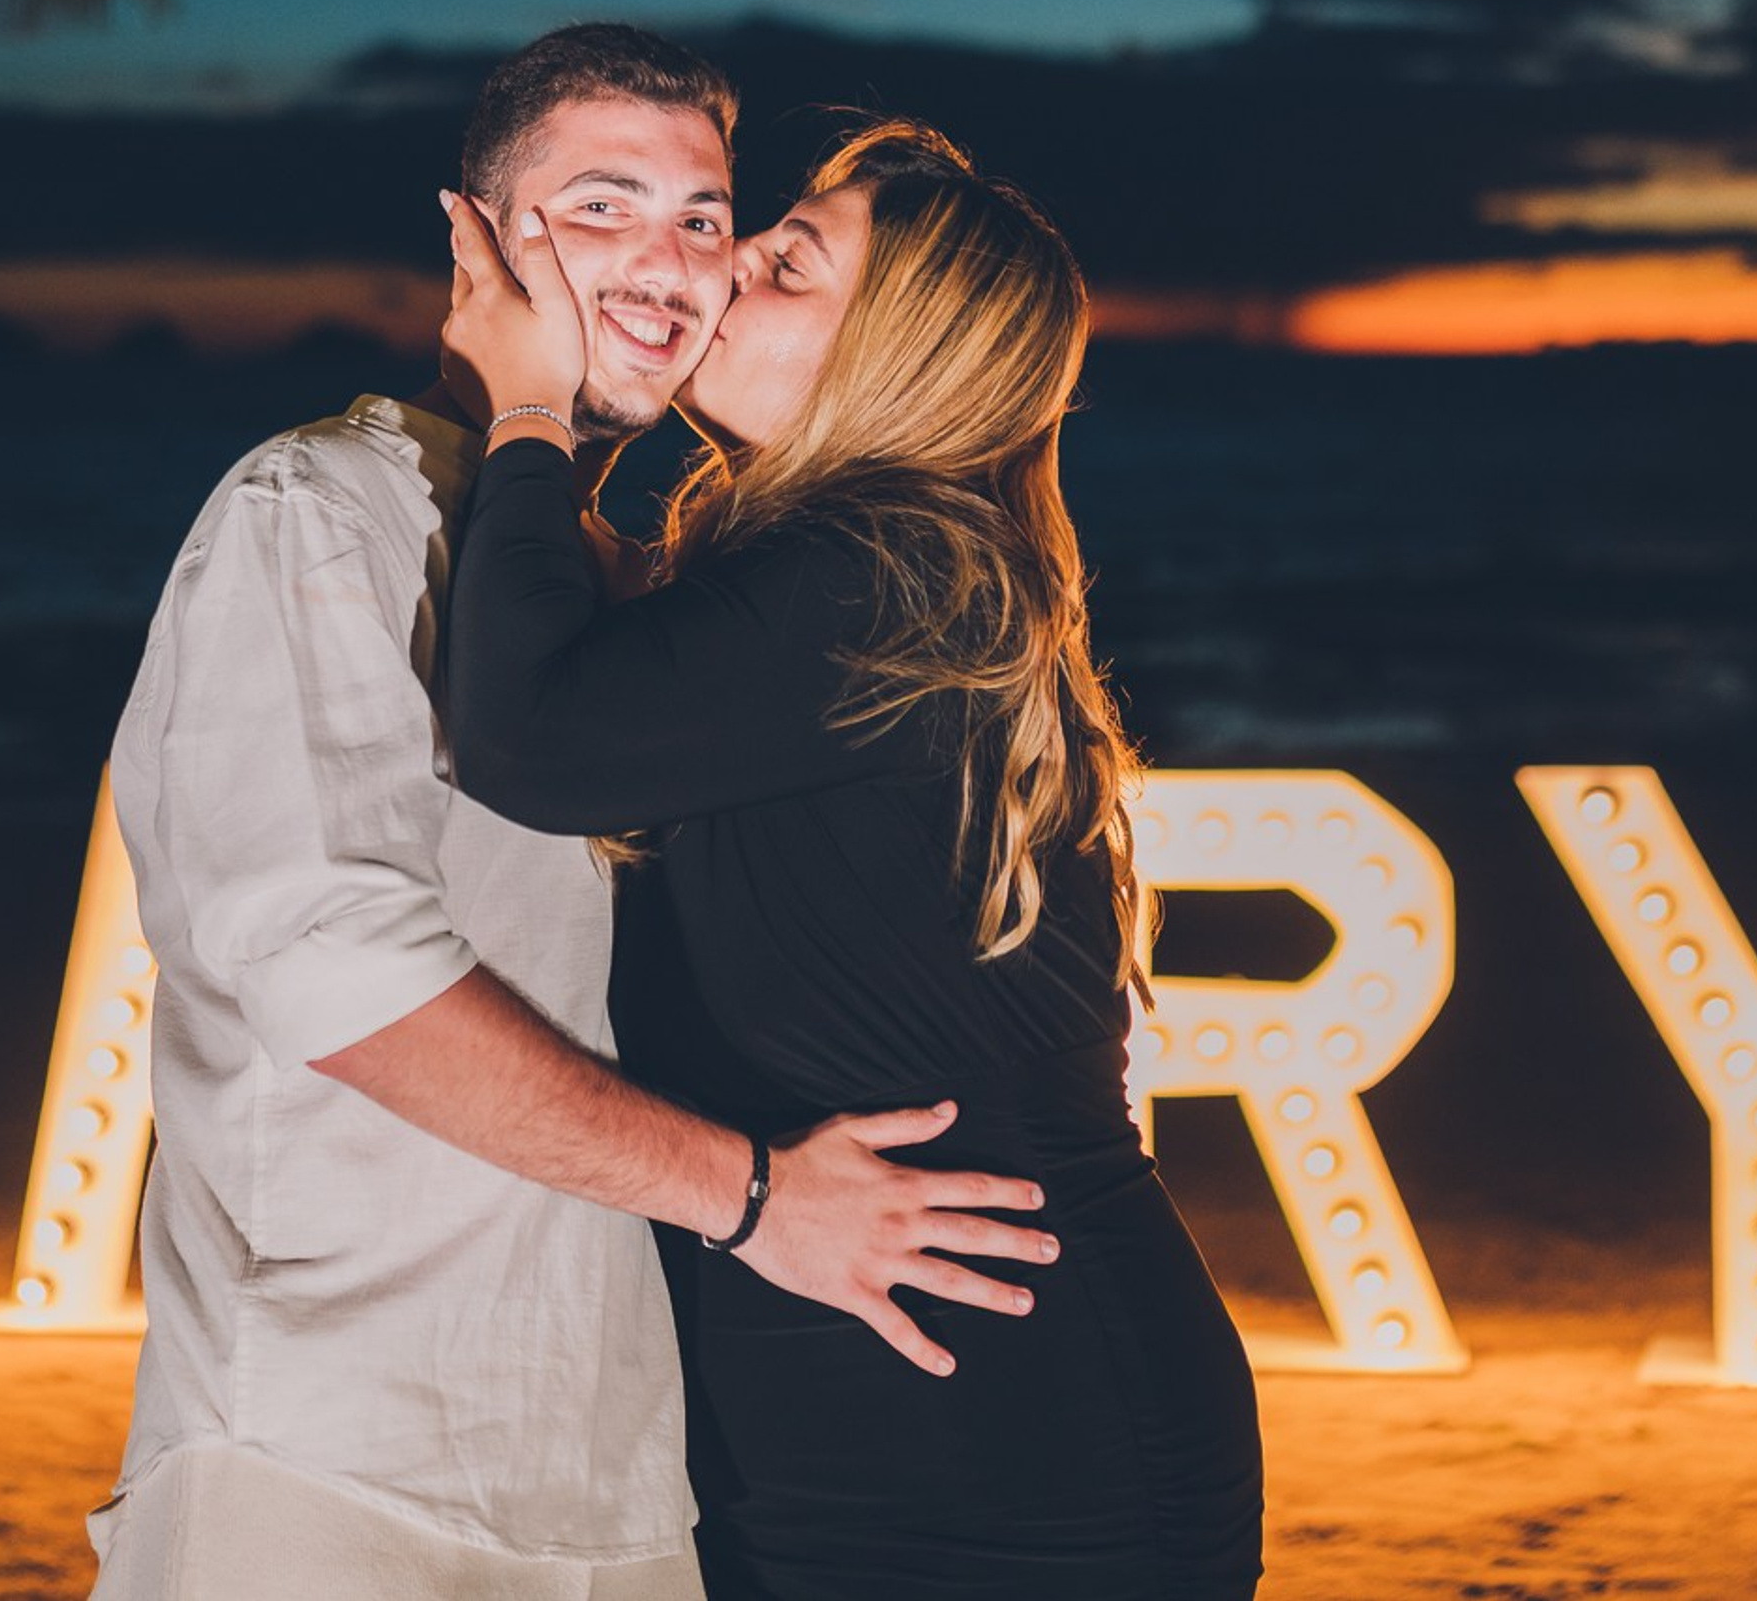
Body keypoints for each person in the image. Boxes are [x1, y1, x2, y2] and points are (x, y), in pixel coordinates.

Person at [93, 31, 1054, 1601]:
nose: (669, 266)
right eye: (602, 208)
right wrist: (757, 1200)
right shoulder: (319, 512)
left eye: (704, 219)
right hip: (329, 1443)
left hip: (619, 1478)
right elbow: (331, 968)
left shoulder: (631, 594)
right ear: (477, 240)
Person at [438, 119, 1265, 1601]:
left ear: (893, 357)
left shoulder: (892, 572)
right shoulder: (838, 572)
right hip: (893, 1385)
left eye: (788, 265)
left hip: (1007, 1430)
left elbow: (531, 742)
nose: (732, 263)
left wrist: (531, 409)